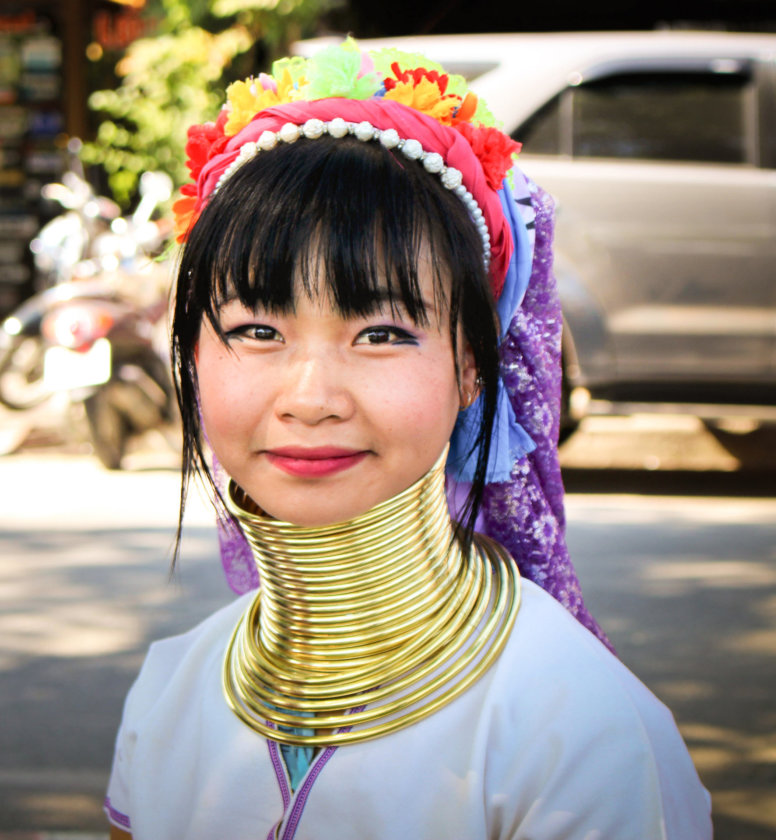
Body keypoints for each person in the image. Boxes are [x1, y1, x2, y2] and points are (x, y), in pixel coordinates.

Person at [104, 39, 712, 839]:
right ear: (192, 356)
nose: (311, 398)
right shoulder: (169, 694)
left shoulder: (581, 728)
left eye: (382, 333)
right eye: (256, 328)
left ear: (471, 367)